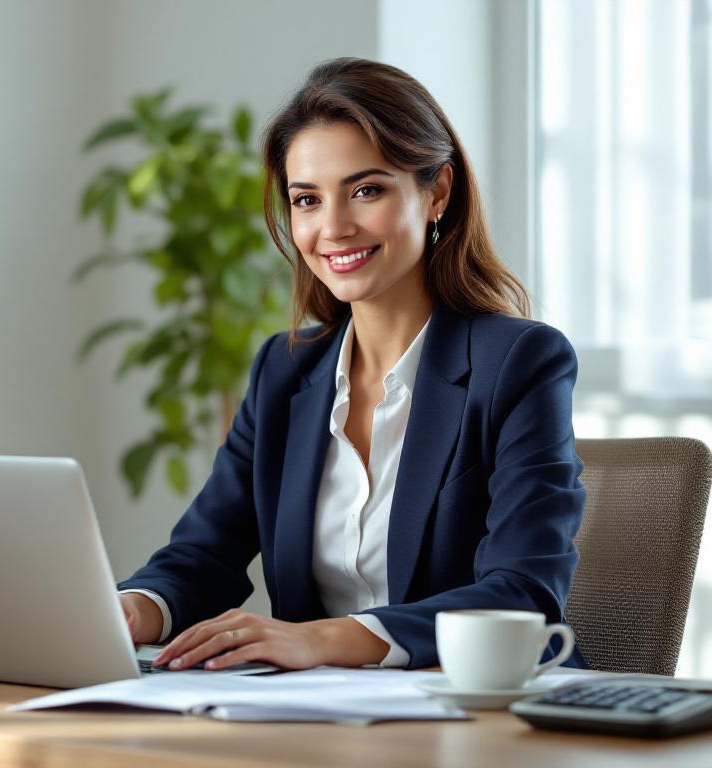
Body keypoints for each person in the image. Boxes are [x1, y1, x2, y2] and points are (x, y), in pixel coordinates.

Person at [117, 58, 587, 672]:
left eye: (366, 190)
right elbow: (204, 556)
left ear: (436, 192)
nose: (333, 228)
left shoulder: (520, 362)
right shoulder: (283, 372)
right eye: (307, 200)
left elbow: (525, 595)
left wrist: (321, 639)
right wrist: (127, 610)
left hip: (480, 714)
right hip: (315, 719)